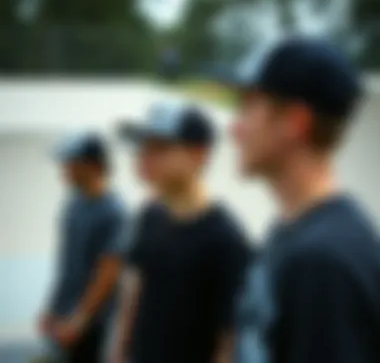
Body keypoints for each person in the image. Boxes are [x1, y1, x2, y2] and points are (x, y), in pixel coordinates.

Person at [231, 36, 380, 363]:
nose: (234, 128)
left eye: (248, 108)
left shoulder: (324, 263)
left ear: (294, 123)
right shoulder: (292, 231)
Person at [111, 102, 251, 363]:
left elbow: (228, 338)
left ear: (199, 155)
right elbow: (135, 288)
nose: (145, 156)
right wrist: (118, 351)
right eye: (143, 147)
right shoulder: (149, 216)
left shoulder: (226, 239)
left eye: (160, 148)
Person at [38, 133, 128, 363]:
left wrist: (78, 322)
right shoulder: (74, 205)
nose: (64, 168)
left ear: (93, 166)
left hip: (92, 324)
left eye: (71, 162)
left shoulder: (114, 212)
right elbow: (67, 263)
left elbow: (108, 273)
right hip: (64, 315)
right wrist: (52, 308)